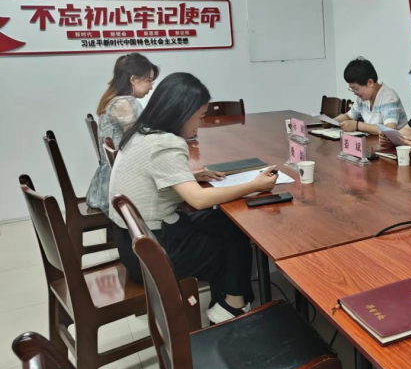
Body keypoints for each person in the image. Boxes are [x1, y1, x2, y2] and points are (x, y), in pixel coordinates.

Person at [109, 73, 279, 323]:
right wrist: (254, 185)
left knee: (226, 224)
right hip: (155, 251)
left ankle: (230, 301)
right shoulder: (165, 143)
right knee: (232, 237)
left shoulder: (141, 132)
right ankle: (232, 306)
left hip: (132, 242)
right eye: (200, 116)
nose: (200, 124)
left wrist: (190, 176)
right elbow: (198, 200)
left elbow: (153, 173)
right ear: (182, 112)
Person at [86, 53, 159, 214]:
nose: (151, 87)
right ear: (134, 79)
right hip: (121, 188)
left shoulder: (115, 100)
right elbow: (141, 143)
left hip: (109, 183)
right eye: (149, 81)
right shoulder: (126, 103)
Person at [335, 57, 408, 134]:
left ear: (370, 83)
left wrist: (357, 125)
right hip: (373, 139)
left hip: (397, 140)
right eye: (352, 89)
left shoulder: (388, 97)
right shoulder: (362, 98)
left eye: (356, 89)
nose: (354, 93)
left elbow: (389, 129)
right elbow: (348, 116)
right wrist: (331, 121)